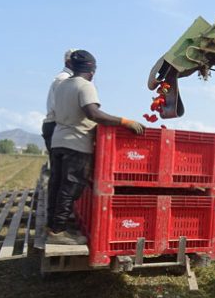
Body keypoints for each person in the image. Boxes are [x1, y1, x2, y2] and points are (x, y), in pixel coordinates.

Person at [46, 50, 145, 245]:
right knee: (70, 187)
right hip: (76, 143)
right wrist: (125, 121)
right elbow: (93, 114)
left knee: (57, 185)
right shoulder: (85, 86)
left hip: (58, 140)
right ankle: (58, 232)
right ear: (92, 70)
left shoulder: (61, 85)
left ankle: (52, 225)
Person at [42, 49, 75, 153]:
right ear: (69, 62)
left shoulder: (66, 78)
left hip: (56, 125)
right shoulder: (64, 79)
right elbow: (64, 108)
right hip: (56, 125)